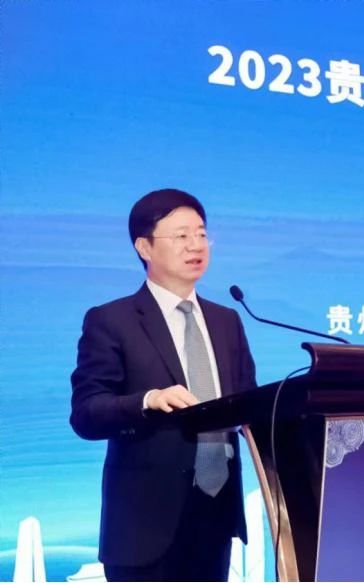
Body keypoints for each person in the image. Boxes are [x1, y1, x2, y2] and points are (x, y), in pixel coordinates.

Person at [70, 188, 257, 582]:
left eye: (202, 234)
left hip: (215, 515)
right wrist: (148, 400)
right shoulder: (112, 320)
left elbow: (249, 408)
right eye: (181, 236)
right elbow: (86, 413)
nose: (196, 245)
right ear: (144, 247)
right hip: (143, 526)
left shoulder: (227, 320)